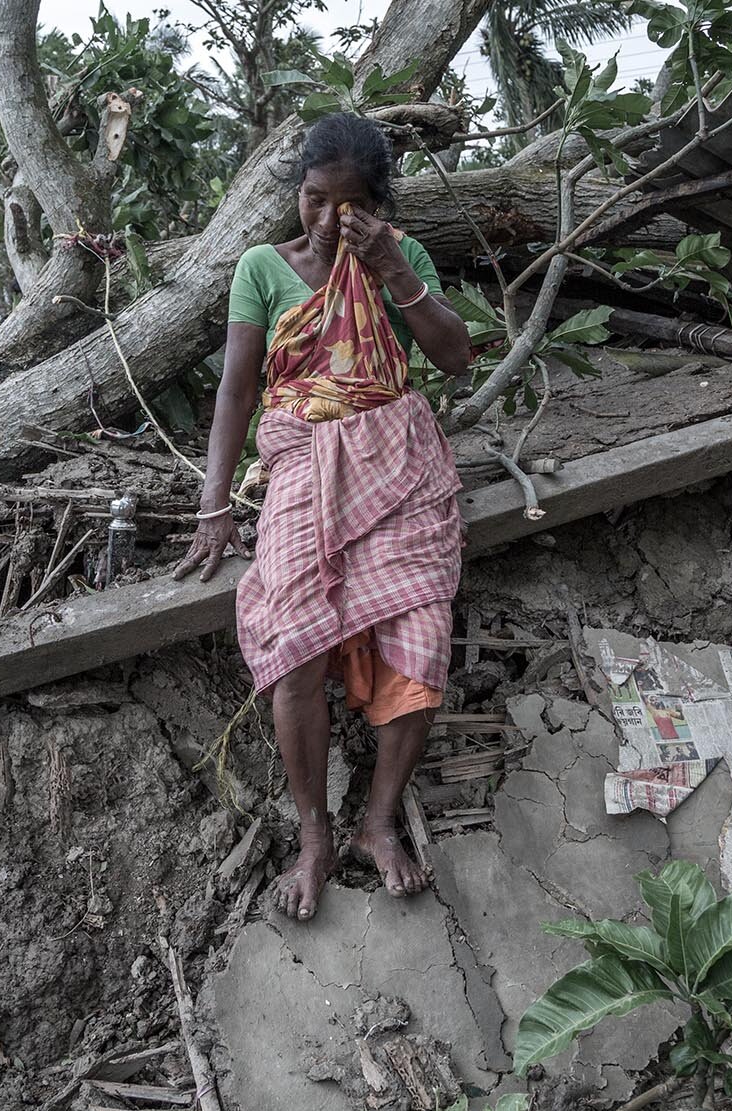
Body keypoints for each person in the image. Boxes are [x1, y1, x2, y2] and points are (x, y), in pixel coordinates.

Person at [173, 113, 473, 922]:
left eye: (346, 206)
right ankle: (316, 834)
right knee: (296, 645)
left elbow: (454, 356)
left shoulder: (399, 257)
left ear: (375, 206)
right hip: (302, 461)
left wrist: (393, 274)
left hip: (399, 461)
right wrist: (214, 505)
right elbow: (237, 391)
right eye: (312, 199)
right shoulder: (263, 269)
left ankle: (378, 820)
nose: (327, 219)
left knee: (423, 636)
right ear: (296, 194)